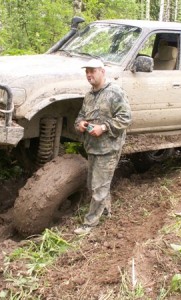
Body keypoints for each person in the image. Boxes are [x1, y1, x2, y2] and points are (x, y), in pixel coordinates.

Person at [74, 58, 132, 235]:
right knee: (94, 185)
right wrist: (81, 124)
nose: (89, 75)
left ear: (102, 71)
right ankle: (105, 210)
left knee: (99, 187)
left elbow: (126, 118)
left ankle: (89, 224)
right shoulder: (89, 95)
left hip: (108, 148)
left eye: (92, 71)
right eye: (87, 72)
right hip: (92, 147)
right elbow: (80, 116)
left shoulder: (115, 92)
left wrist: (104, 127)